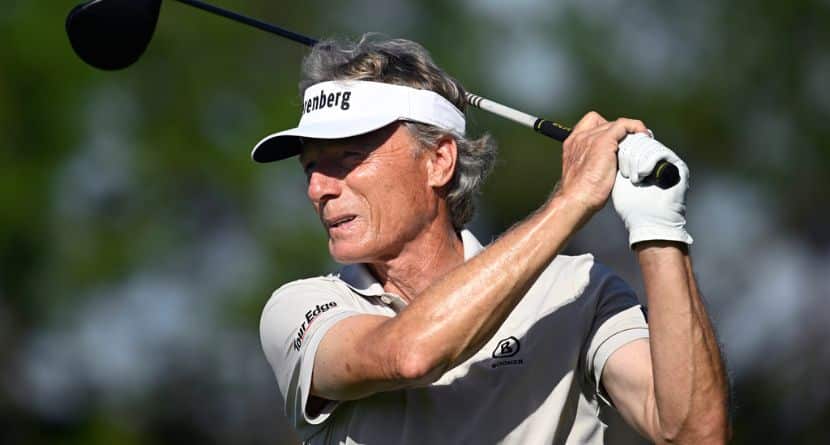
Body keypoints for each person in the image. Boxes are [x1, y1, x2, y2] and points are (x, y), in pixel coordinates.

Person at [253, 35, 730, 444]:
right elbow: (409, 354)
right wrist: (572, 199)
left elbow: (695, 434)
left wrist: (659, 230)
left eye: (348, 157)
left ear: (439, 161)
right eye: (312, 166)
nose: (318, 188)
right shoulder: (301, 308)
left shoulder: (578, 289)